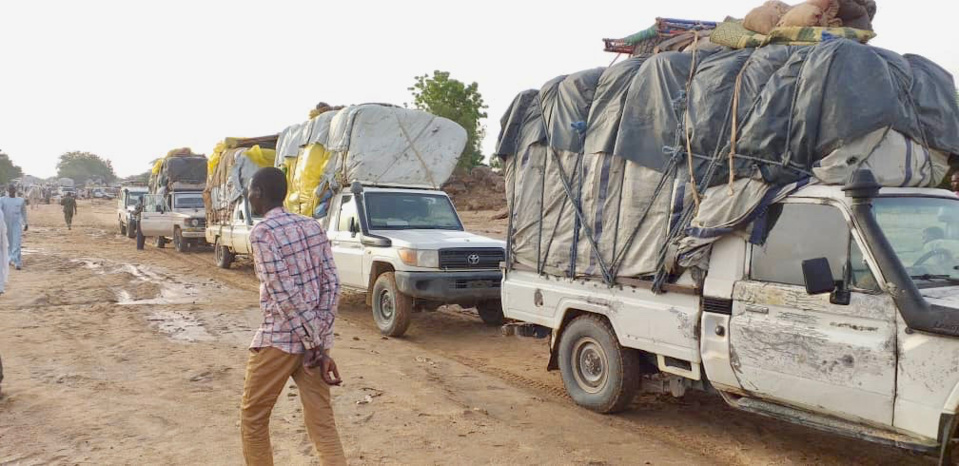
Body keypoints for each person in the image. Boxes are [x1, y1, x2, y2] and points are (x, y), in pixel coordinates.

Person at [241, 167, 345, 466]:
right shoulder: (313, 226)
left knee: (254, 417)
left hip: (279, 340)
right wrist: (321, 343)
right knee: (323, 424)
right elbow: (332, 285)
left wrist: (313, 342)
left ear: (258, 193)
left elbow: (282, 292)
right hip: (313, 347)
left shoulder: (262, 233)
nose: (248, 197)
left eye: (249, 191)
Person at [0, 186, 27, 270]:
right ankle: (13, 259)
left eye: (13, 189)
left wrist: (26, 223)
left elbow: (24, 212)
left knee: (17, 242)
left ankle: (15, 261)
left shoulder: (21, 200)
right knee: (8, 243)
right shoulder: (2, 200)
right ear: (7, 190)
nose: (12, 191)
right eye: (10, 189)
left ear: (15, 190)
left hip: (16, 224)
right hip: (5, 224)